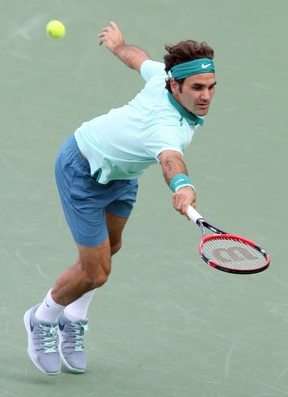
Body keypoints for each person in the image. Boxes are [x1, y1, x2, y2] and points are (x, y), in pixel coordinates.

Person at [24, 21, 216, 376]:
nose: (205, 96)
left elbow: (138, 58)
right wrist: (182, 187)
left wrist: (118, 45)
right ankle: (42, 318)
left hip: (122, 176)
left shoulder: (163, 74)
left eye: (210, 87)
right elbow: (171, 161)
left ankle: (74, 317)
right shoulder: (166, 127)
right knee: (96, 272)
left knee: (112, 246)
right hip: (81, 167)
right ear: (175, 86)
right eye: (197, 88)